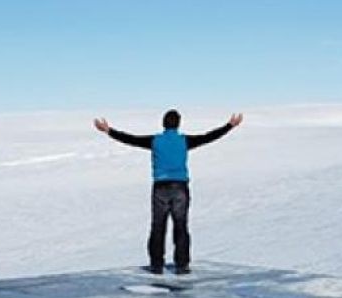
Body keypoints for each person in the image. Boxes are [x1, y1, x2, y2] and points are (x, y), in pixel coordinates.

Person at [94, 109, 244, 274]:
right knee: (181, 226)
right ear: (178, 124)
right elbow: (208, 137)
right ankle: (182, 265)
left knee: (158, 226)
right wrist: (229, 126)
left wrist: (108, 131)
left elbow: (131, 139)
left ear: (163, 123)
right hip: (180, 187)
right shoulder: (184, 141)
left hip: (160, 188)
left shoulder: (155, 140)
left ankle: (156, 264)